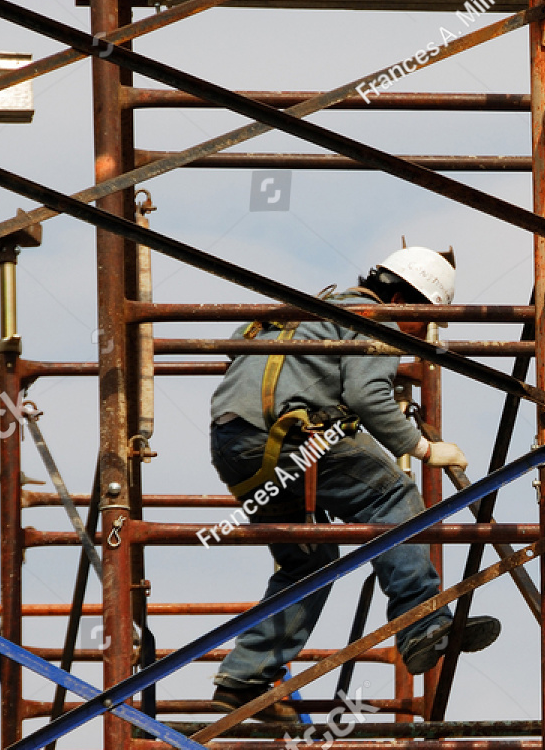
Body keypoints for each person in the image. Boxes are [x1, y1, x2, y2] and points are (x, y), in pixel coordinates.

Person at [208, 245, 500, 720]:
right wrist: (423, 448)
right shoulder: (373, 317)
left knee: (310, 558)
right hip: (289, 438)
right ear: (406, 301)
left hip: (234, 447)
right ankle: (421, 621)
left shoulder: (309, 309)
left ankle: (245, 681)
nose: (418, 336)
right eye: (423, 321)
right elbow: (368, 395)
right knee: (392, 494)